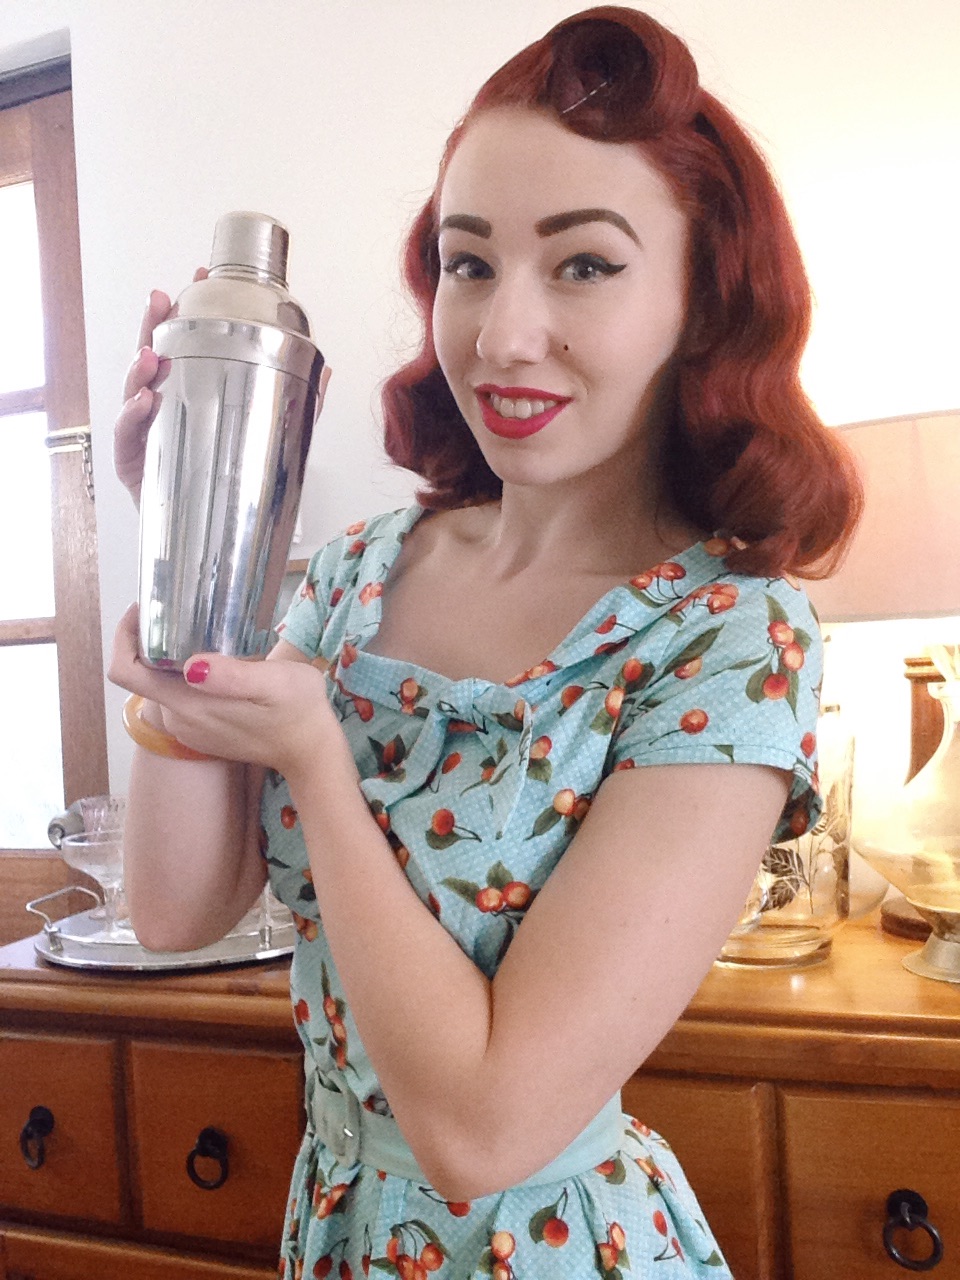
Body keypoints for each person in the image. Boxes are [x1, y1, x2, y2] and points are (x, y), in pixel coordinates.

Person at [110, 8, 862, 1277]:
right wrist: (185, 550)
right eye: (470, 262)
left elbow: (482, 1129)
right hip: (337, 1233)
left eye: (585, 265)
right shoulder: (359, 575)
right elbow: (178, 909)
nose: (503, 334)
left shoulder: (727, 639)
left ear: (703, 300)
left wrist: (319, 764)